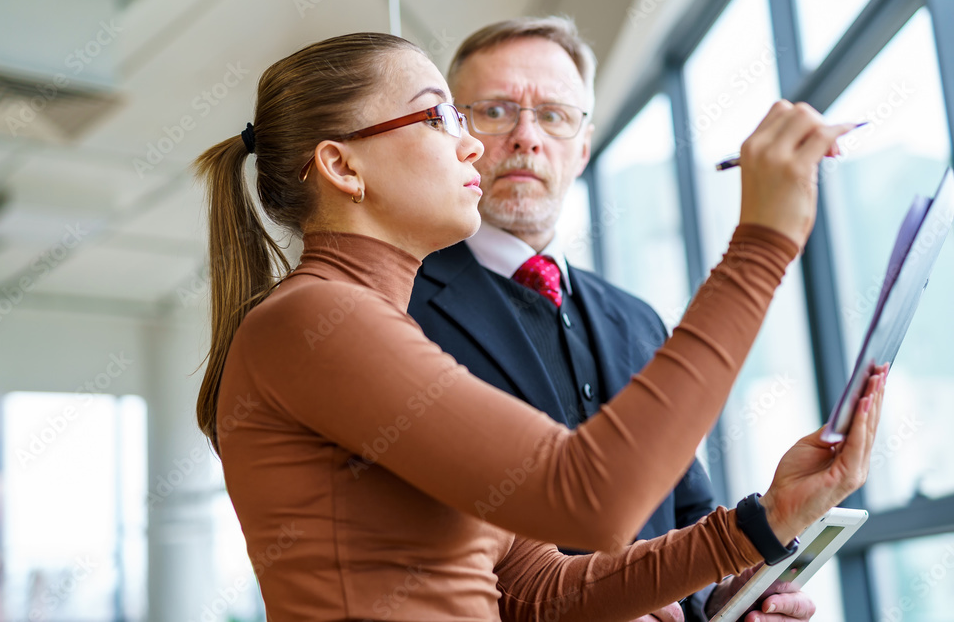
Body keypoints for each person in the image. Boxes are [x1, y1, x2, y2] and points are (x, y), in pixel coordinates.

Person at [192, 31, 886, 622]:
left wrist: (768, 520)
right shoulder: (314, 318)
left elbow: (543, 589)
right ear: (342, 166)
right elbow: (595, 494)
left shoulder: (365, 323)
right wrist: (762, 243)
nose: (473, 148)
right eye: (443, 118)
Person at [405, 16, 810, 622]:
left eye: (554, 115)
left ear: (584, 146)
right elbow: (407, 536)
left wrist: (726, 600)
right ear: (456, 133)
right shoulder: (399, 306)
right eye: (494, 111)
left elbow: (682, 508)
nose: (526, 136)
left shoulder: (637, 319)